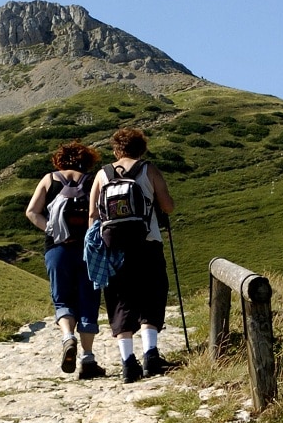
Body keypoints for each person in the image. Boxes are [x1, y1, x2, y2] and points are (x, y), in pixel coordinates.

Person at [88, 127, 175, 384]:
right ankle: (151, 356)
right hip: (148, 242)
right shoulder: (149, 170)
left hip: (114, 247)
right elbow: (168, 205)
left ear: (116, 149)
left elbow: (93, 215)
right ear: (141, 148)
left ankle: (128, 363)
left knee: (119, 300)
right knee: (152, 294)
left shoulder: (102, 174)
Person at [25, 140, 105, 378]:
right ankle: (88, 359)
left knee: (62, 300)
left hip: (57, 250)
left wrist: (52, 230)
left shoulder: (49, 179)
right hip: (87, 250)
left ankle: (68, 338)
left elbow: (31, 211)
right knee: (88, 300)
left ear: (59, 160)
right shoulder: (92, 180)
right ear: (87, 160)